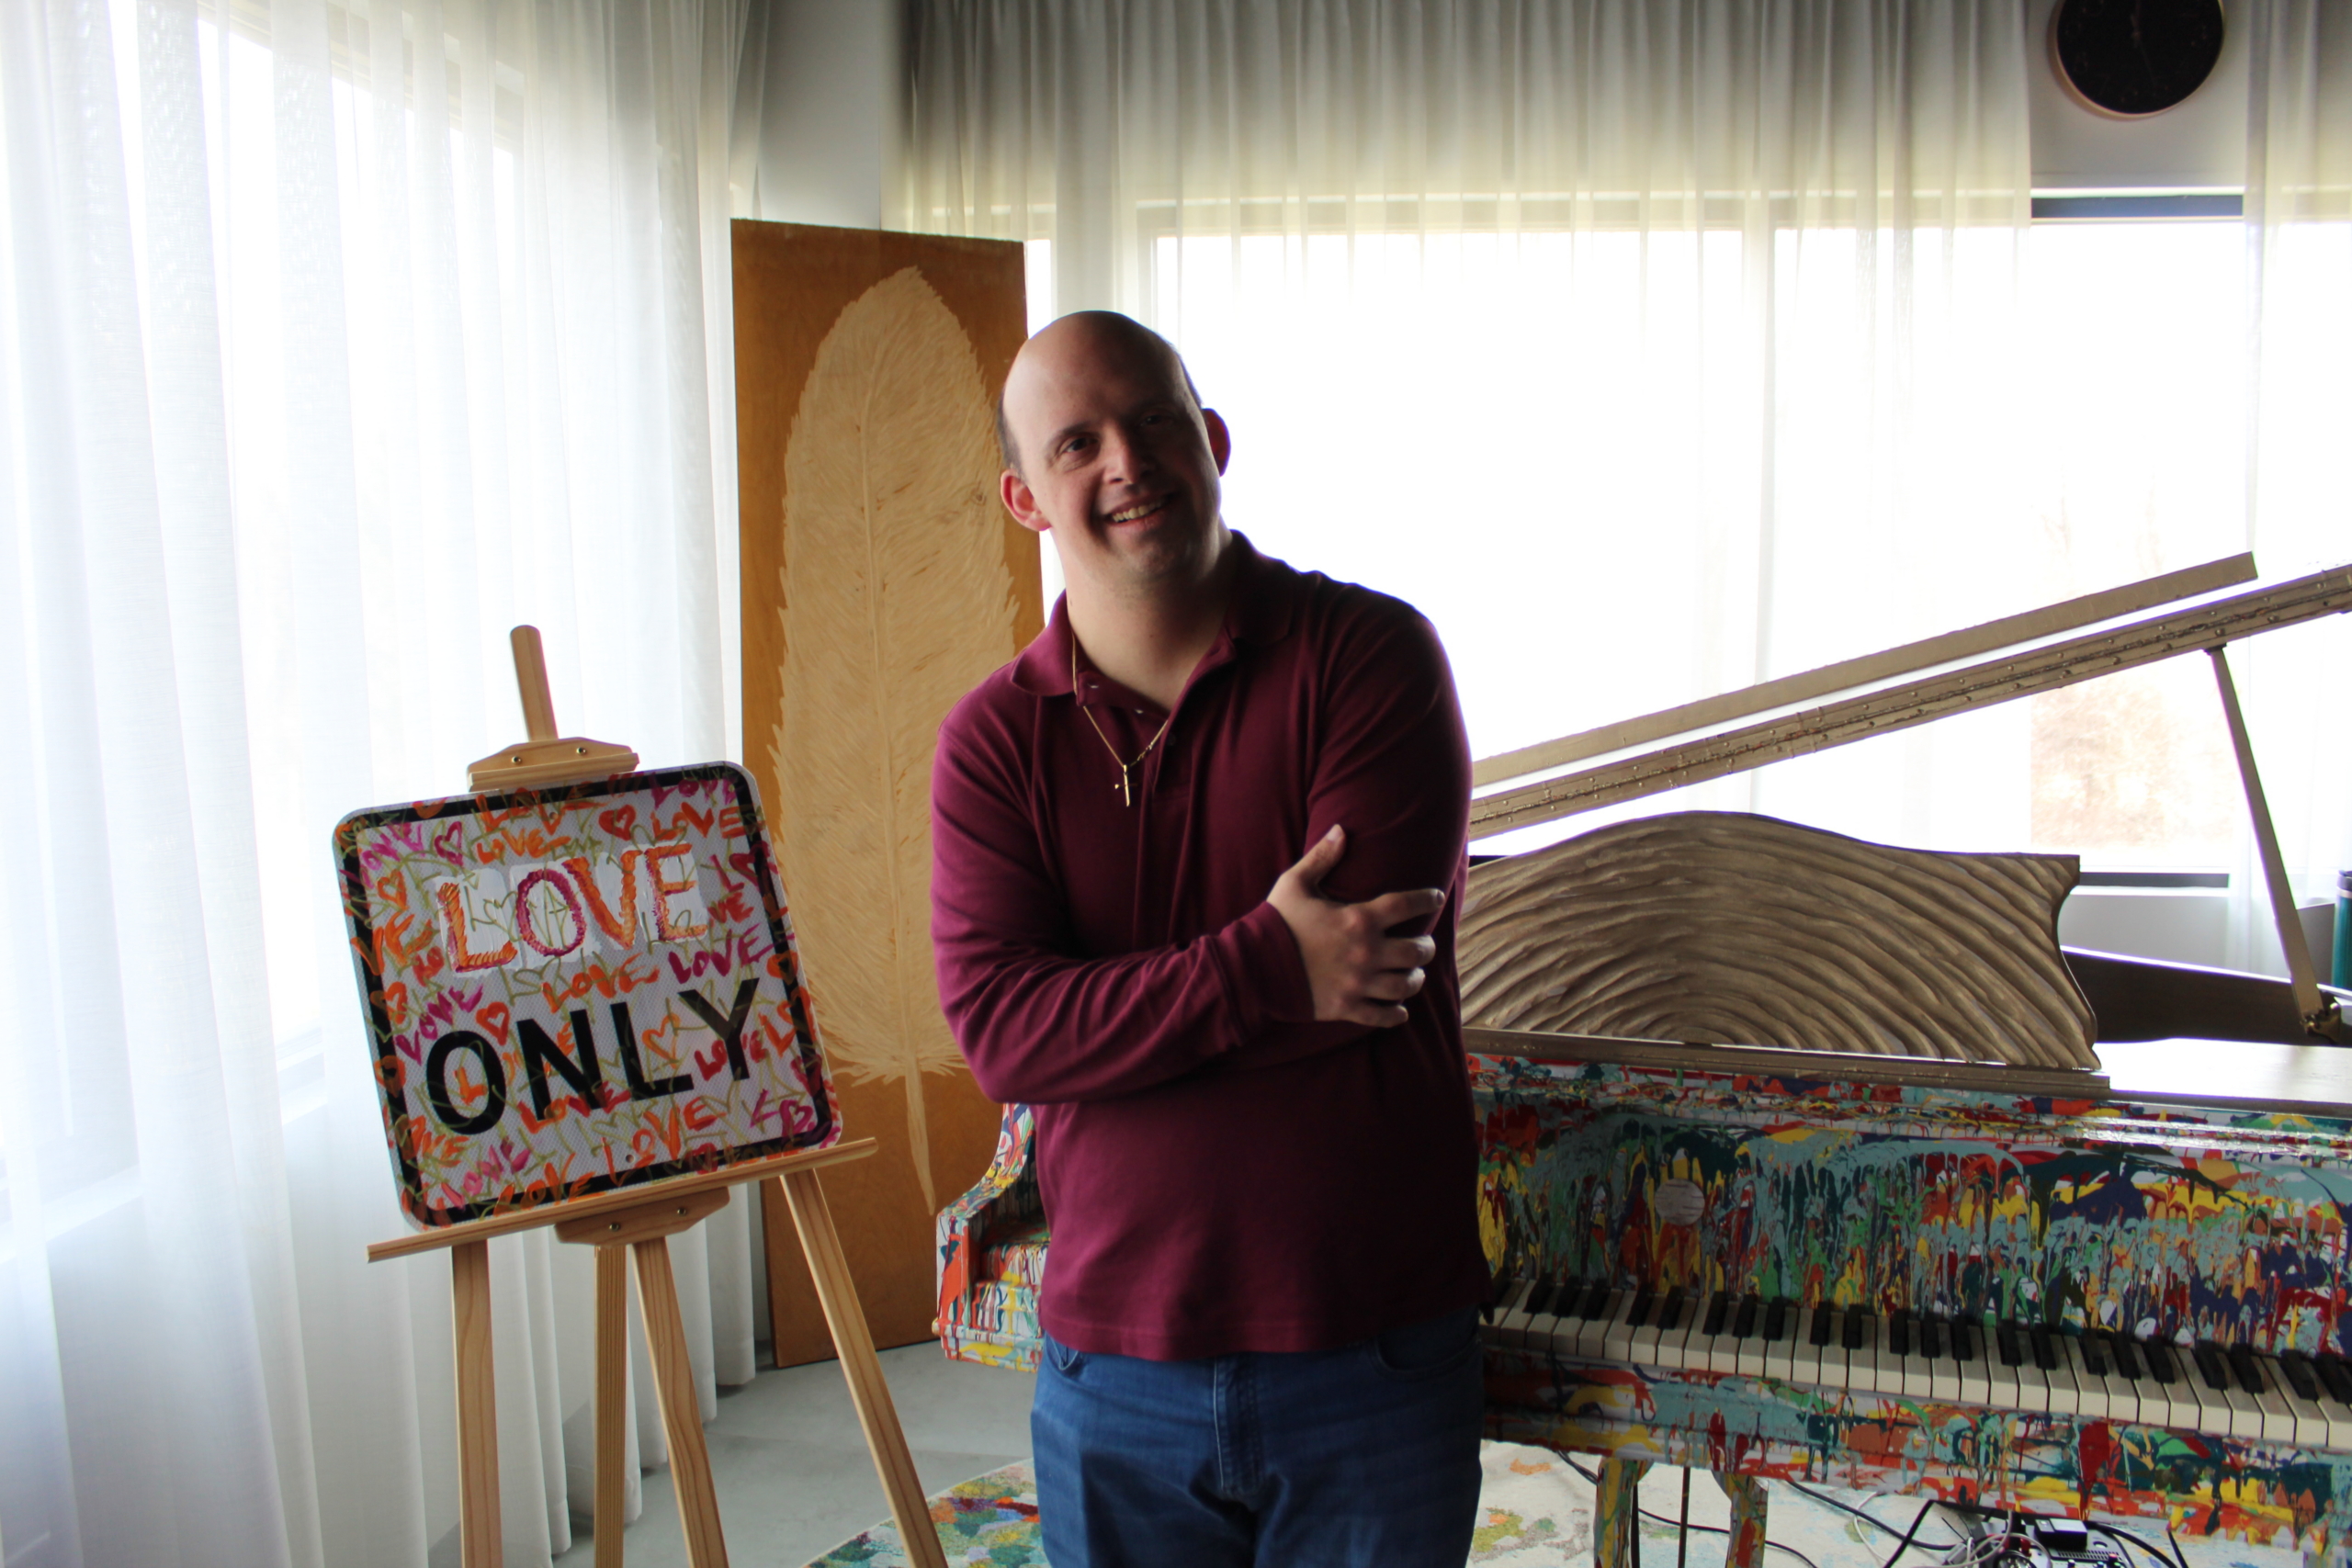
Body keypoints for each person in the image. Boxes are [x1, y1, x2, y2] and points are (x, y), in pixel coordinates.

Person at [928, 310, 1489, 1567]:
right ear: (1028, 498)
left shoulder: (1372, 660)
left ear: (1213, 439)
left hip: (1373, 1345)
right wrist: (1264, 967)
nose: (1125, 461)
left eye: (1155, 421)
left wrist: (1101, 1020)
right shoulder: (992, 746)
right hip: (1112, 1366)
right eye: (1078, 442)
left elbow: (1370, 976)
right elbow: (1009, 1039)